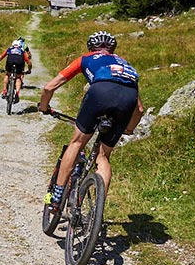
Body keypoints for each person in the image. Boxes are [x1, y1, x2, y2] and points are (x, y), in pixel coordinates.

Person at [37, 31, 144, 211]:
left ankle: (56, 197)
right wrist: (128, 129)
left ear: (91, 48)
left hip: (100, 92)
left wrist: (44, 106)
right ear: (112, 49)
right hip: (128, 99)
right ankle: (97, 209)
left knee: (77, 142)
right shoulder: (126, 65)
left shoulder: (86, 59)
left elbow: (49, 87)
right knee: (103, 157)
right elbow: (139, 109)